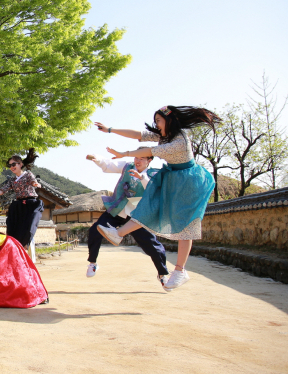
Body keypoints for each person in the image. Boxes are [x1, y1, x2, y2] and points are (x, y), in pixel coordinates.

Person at [95, 105, 220, 290]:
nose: (156, 124)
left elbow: (149, 152)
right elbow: (139, 134)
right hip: (173, 177)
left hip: (189, 182)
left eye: (159, 121)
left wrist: (125, 154)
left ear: (169, 120)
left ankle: (180, 271)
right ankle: (119, 233)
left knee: (187, 225)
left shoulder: (179, 142)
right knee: (151, 204)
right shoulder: (165, 136)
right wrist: (110, 130)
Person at [85, 151, 170, 290]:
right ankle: (93, 263)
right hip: (120, 209)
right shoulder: (127, 166)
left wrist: (142, 177)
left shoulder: (154, 174)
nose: (138, 161)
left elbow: (152, 190)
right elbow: (110, 164)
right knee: (95, 229)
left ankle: (162, 274)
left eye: (142, 158)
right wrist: (97, 158)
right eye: (136, 157)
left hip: (138, 216)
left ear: (149, 160)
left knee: (152, 245)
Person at [0, 150, 42, 248]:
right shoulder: (12, 180)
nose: (12, 167)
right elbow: (3, 190)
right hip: (19, 204)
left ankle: (27, 246)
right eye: (10, 165)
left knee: (29, 226)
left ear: (20, 164)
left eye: (14, 164)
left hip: (30, 203)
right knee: (13, 227)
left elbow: (32, 181)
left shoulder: (28, 174)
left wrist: (35, 184)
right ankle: (15, 246)